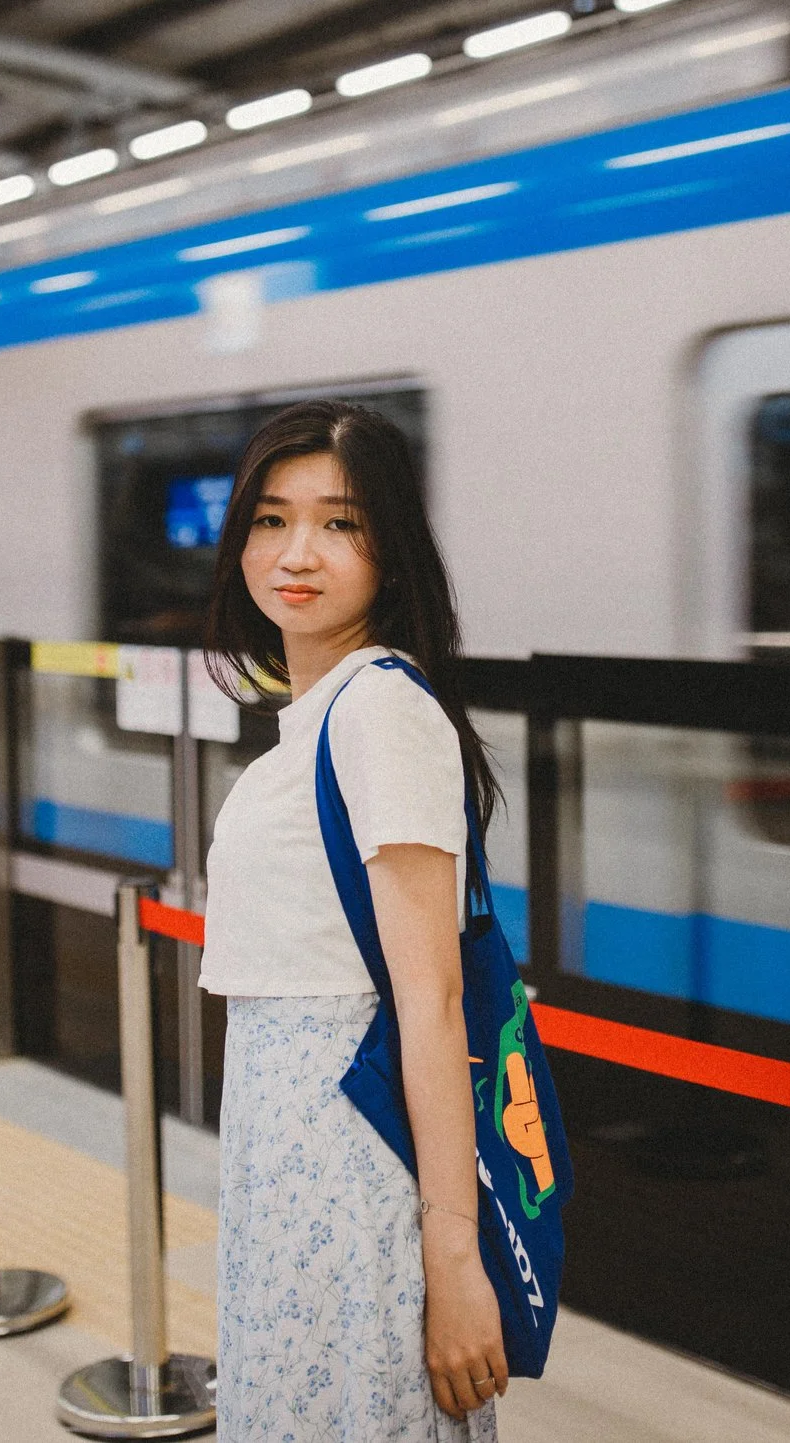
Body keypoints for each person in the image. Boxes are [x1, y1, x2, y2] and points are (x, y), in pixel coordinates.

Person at [198, 399, 508, 1441]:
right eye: (270, 519)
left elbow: (432, 998)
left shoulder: (380, 710)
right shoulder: (326, 710)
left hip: (352, 1171)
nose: (297, 552)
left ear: (392, 549)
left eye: (341, 523)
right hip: (292, 1165)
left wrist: (452, 1254)